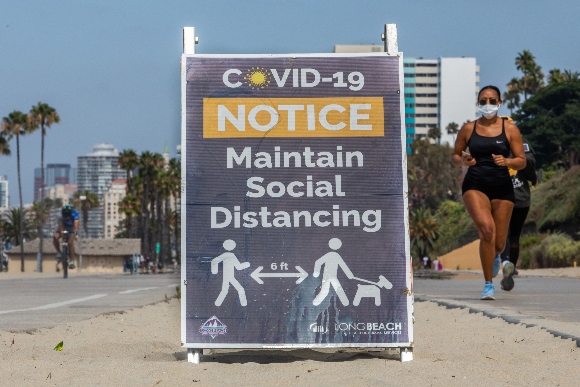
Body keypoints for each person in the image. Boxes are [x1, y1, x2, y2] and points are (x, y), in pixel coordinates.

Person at [452, 85, 526, 300]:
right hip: (475, 185)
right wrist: (463, 160)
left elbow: (522, 161)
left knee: (499, 243)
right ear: (478, 103)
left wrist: (508, 161)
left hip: (503, 187)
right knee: (486, 230)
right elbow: (455, 156)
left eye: (492, 101)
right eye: (483, 101)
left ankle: (494, 256)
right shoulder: (468, 129)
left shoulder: (510, 130)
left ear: (499, 103)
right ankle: (487, 285)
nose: (487, 105)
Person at [499, 121, 537, 291]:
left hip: (502, 196)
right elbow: (529, 165)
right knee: (514, 237)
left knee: (503, 235)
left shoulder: (496, 142)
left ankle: (506, 263)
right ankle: (511, 271)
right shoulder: (523, 142)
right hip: (522, 197)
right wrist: (533, 178)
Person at [53, 204, 80, 272]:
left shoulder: (75, 214)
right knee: (55, 237)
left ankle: (72, 261)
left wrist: (76, 234)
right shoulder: (59, 215)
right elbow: (61, 227)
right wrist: (63, 237)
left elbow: (76, 225)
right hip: (63, 227)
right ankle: (59, 252)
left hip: (71, 228)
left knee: (70, 243)